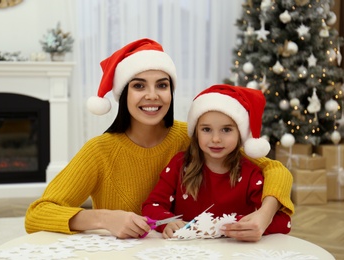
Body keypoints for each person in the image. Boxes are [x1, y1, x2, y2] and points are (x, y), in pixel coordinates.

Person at [25, 38, 294, 241]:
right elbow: (37, 214)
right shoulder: (99, 151)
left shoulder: (193, 137)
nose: (152, 95)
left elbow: (273, 169)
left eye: (162, 85)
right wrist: (103, 218)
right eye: (139, 85)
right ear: (123, 94)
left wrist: (265, 213)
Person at [142, 84, 291, 240]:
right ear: (196, 132)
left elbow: (283, 222)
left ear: (240, 133)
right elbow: (152, 206)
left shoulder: (251, 174)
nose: (216, 139)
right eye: (206, 129)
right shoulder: (179, 165)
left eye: (226, 130)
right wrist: (169, 223)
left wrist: (236, 224)